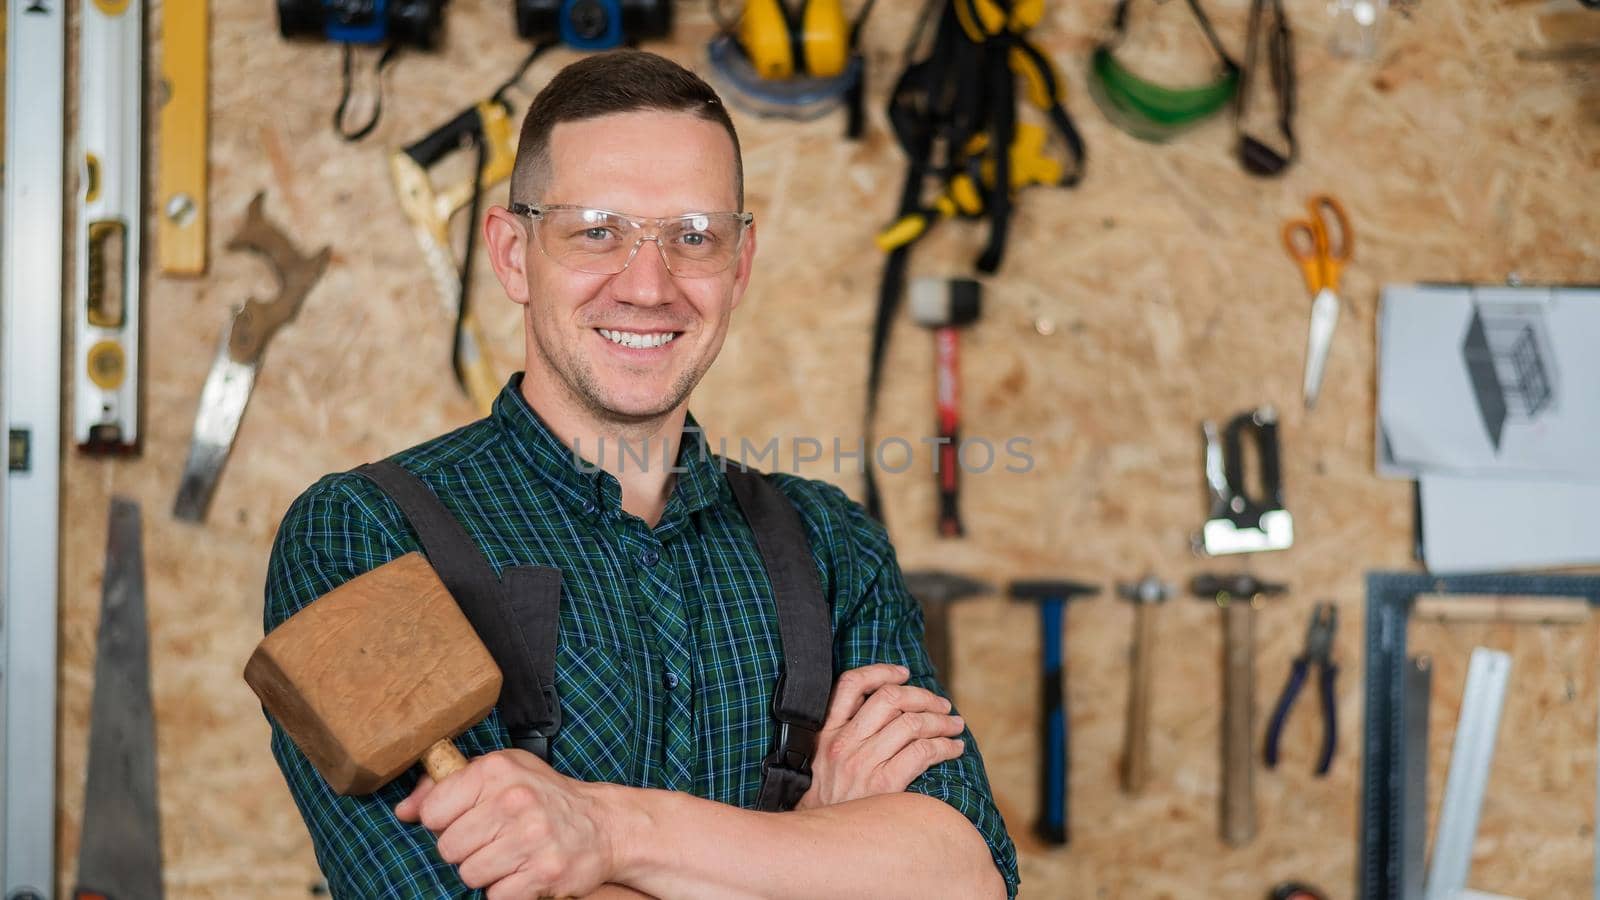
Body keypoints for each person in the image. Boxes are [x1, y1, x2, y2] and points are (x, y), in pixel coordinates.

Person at [262, 49, 1019, 899]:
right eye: (598, 231)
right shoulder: (364, 533)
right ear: (512, 253)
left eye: (694, 237)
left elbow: (963, 877)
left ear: (739, 264)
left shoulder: (833, 545)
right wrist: (813, 848)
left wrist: (608, 835)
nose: (649, 285)